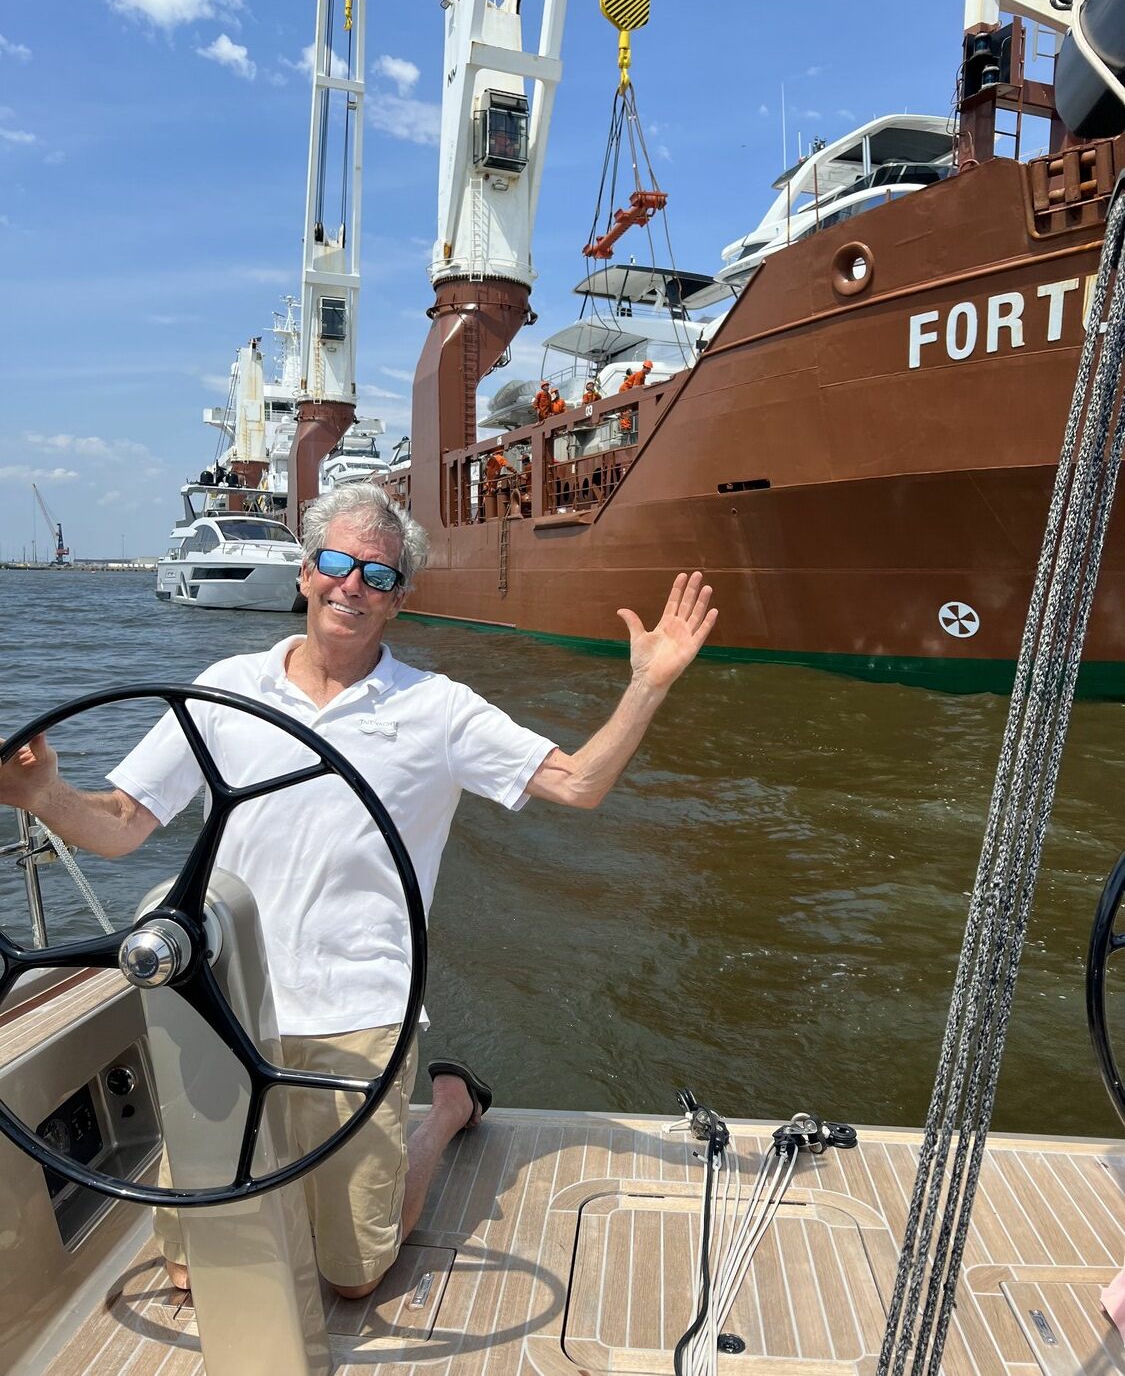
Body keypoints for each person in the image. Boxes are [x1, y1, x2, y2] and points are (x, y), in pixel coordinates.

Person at [0, 483, 716, 1304]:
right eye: (336, 565)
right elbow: (124, 825)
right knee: (189, 1275)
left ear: (400, 599)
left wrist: (649, 683)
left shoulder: (438, 710)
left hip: (363, 1011)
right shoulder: (226, 689)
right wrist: (46, 796)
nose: (353, 587)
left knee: (353, 1276)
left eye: (377, 575)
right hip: (221, 1001)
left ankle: (446, 1108)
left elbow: (579, 784)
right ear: (305, 574)